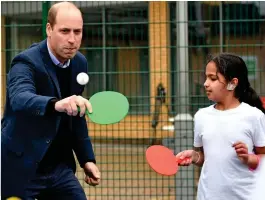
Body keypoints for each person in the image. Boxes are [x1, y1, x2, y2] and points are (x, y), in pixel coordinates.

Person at [1, 2, 101, 199]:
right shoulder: (26, 62)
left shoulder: (80, 62)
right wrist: (57, 104)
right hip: (23, 166)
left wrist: (86, 159)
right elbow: (20, 98)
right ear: (49, 29)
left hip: (59, 168)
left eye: (77, 31)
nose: (72, 39)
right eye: (64, 31)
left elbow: (77, 115)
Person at [176, 53, 265, 200]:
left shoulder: (254, 116)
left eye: (213, 78)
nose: (205, 83)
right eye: (206, 78)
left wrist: (248, 158)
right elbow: (205, 158)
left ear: (232, 83)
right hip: (208, 196)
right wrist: (194, 156)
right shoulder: (201, 116)